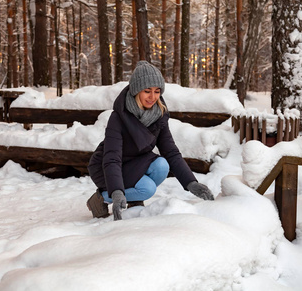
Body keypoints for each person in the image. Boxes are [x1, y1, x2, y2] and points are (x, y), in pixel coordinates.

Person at [87, 61, 214, 220]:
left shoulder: (158, 114)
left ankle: (133, 199)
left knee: (162, 165)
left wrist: (190, 183)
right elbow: (112, 157)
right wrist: (117, 191)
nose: (153, 97)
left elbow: (170, 151)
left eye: (157, 91)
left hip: (135, 162)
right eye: (147, 91)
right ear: (136, 90)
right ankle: (101, 198)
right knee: (146, 189)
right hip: (107, 167)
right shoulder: (119, 116)